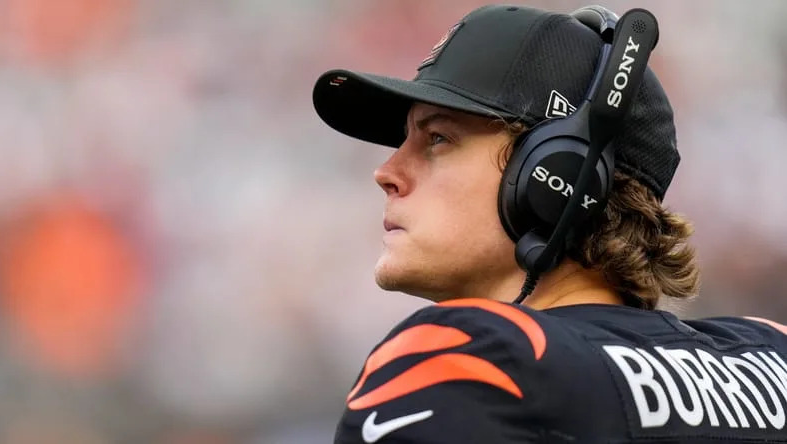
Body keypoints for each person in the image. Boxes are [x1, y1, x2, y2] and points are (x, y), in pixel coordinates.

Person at [312, 4, 787, 443]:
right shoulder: (771, 359)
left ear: (558, 175)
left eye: (438, 137)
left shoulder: (468, 363)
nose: (386, 173)